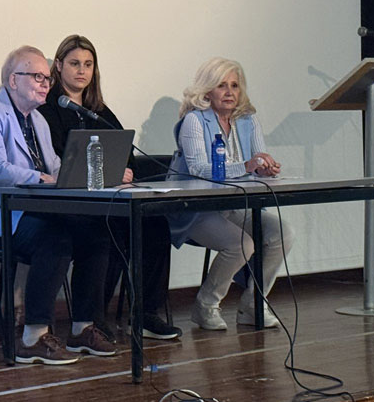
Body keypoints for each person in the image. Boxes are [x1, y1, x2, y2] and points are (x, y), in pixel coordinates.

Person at [0, 45, 115, 364]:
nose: (45, 84)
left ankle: (83, 328)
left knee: (95, 233)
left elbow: (55, 167)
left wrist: (79, 175)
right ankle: (33, 337)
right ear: (13, 80)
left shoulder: (37, 119)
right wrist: (43, 178)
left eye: (47, 79)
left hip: (27, 212)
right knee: (53, 238)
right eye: (37, 77)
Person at [38, 34, 181, 340]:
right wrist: (108, 173)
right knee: (109, 229)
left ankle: (146, 313)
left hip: (106, 198)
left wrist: (125, 171)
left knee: (155, 225)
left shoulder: (98, 110)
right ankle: (93, 319)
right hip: (69, 203)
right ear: (58, 66)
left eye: (88, 64)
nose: (82, 71)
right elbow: (60, 160)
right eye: (75, 63)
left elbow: (123, 149)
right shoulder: (47, 109)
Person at [169, 57, 294, 330]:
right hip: (195, 209)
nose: (229, 92)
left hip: (233, 205)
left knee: (282, 233)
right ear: (207, 90)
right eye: (221, 85)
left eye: (234, 86)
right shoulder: (194, 120)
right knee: (241, 244)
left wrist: (265, 168)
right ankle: (205, 306)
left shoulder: (247, 120)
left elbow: (257, 161)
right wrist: (247, 166)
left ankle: (253, 305)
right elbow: (200, 170)